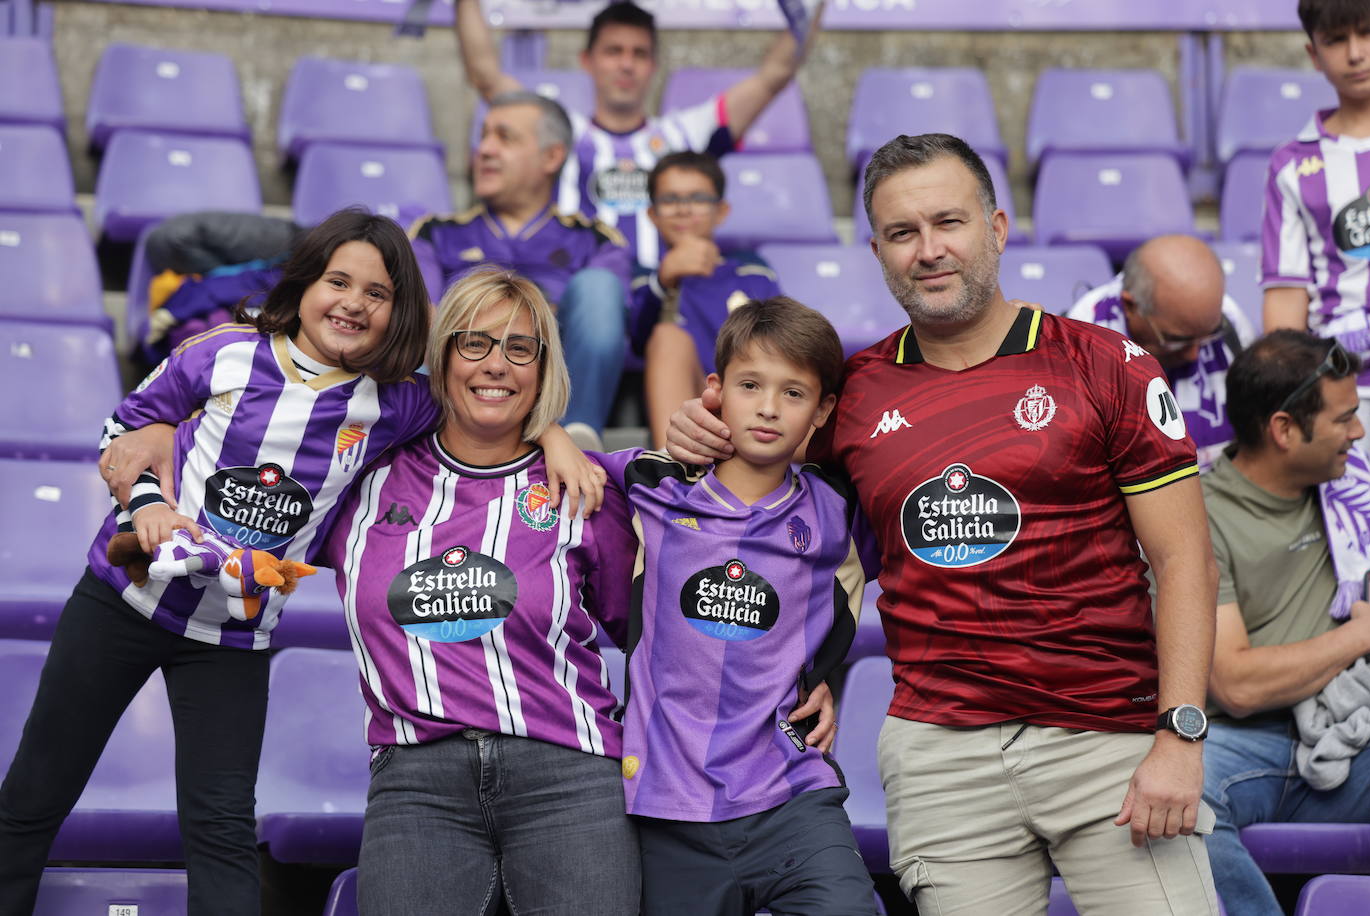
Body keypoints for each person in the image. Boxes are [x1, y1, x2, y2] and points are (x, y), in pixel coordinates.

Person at [668, 133, 1221, 914]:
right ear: (878, 250)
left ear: (996, 227)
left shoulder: (1108, 365)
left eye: (948, 223)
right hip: (942, 755)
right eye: (903, 233)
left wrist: (1181, 735)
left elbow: (1186, 561)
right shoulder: (850, 394)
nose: (929, 250)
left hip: (1111, 745)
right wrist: (699, 429)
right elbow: (769, 528)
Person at [0, 209, 438, 916]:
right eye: (338, 281)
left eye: (378, 293)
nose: (354, 302)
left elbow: (492, 402)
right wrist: (146, 504)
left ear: (399, 314)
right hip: (122, 605)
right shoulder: (225, 352)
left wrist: (559, 438)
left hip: (232, 638)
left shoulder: (399, 402)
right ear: (304, 284)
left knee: (221, 827)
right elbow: (126, 426)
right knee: (32, 795)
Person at [320, 267, 644, 915]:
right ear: (439, 359)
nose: (497, 364)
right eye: (474, 342)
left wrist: (814, 673)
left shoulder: (585, 486)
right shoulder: (360, 477)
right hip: (416, 783)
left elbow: (648, 634)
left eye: (520, 348)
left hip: (570, 777)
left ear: (543, 368)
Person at [600, 297, 874, 914]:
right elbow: (536, 458)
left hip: (792, 798)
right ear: (716, 390)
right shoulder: (650, 485)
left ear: (824, 408)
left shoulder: (840, 509)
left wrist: (824, 674)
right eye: (751, 385)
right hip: (668, 807)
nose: (770, 408)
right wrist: (559, 438)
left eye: (795, 393)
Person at [1200, 329, 1370, 916]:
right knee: (1177, 797)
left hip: (1356, 729)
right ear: (1283, 430)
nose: (1360, 432)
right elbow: (1236, 685)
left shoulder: (1355, 488)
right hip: (1246, 743)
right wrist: (1361, 633)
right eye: (1344, 419)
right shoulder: (1200, 517)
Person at [454, 0, 814, 267]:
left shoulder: (685, 133)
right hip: (576, 293)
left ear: (653, 65)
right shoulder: (557, 127)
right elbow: (486, 75)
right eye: (614, 51)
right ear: (587, 60)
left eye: (639, 53)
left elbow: (775, 75)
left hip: (664, 299)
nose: (626, 64)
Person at [411, 91, 631, 446]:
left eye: (505, 137)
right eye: (482, 136)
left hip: (555, 389)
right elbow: (423, 318)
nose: (484, 149)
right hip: (460, 385)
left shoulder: (597, 240)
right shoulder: (435, 233)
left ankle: (576, 437)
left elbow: (603, 332)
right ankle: (426, 439)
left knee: (599, 287)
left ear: (552, 156)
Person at [1262, 0, 1370, 451]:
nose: (1355, 53)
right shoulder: (1293, 164)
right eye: (1336, 39)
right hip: (1345, 399)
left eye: (1368, 33)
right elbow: (1285, 311)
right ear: (1313, 54)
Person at [1067, 234, 1255, 470]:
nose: (1193, 355)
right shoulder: (1082, 343)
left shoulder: (1227, 320)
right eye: (1177, 340)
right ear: (1131, 307)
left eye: (1207, 337)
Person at [638, 151, 782, 447]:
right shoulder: (641, 276)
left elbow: (779, 340)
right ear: (652, 214)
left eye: (698, 198)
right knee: (667, 336)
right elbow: (634, 341)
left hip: (752, 395)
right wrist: (664, 279)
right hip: (687, 400)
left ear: (722, 211)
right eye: (669, 200)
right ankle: (672, 470)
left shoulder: (750, 268)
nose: (683, 210)